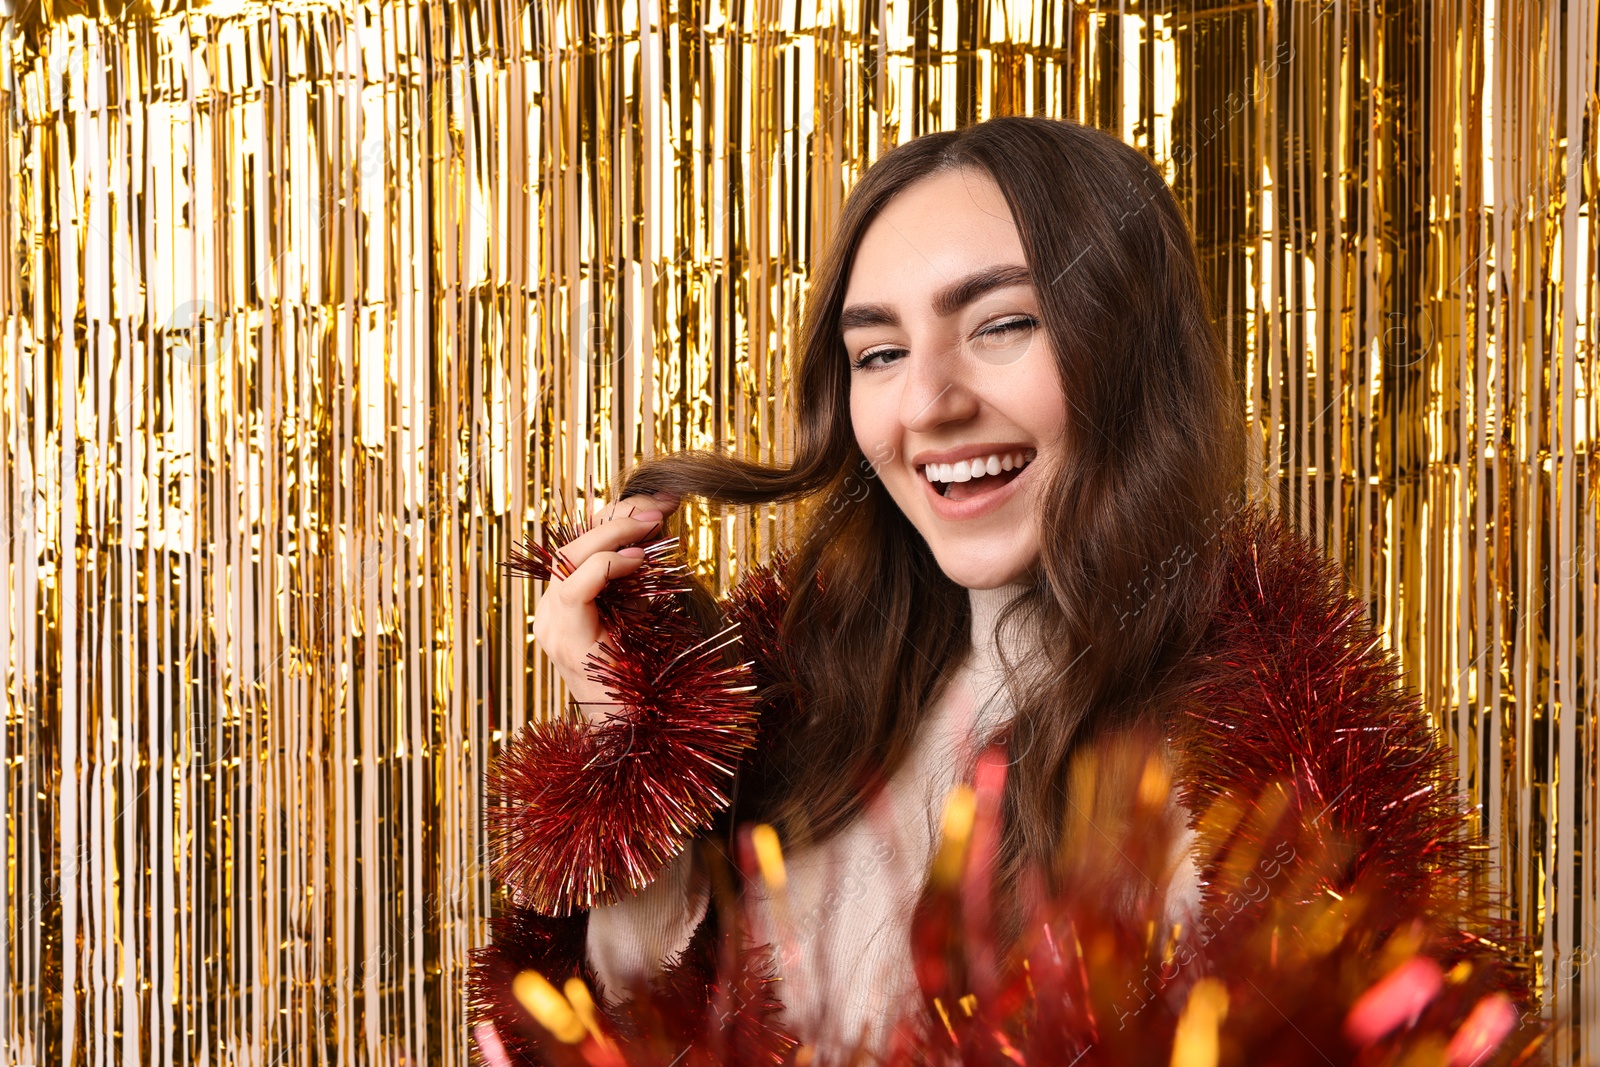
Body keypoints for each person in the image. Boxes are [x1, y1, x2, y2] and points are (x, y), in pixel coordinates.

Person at [468, 117, 1535, 1066]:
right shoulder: (808, 708)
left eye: (1001, 325)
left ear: (1125, 348)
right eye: (879, 351)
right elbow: (626, 1026)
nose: (927, 402)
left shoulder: (1262, 787)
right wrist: (648, 734)